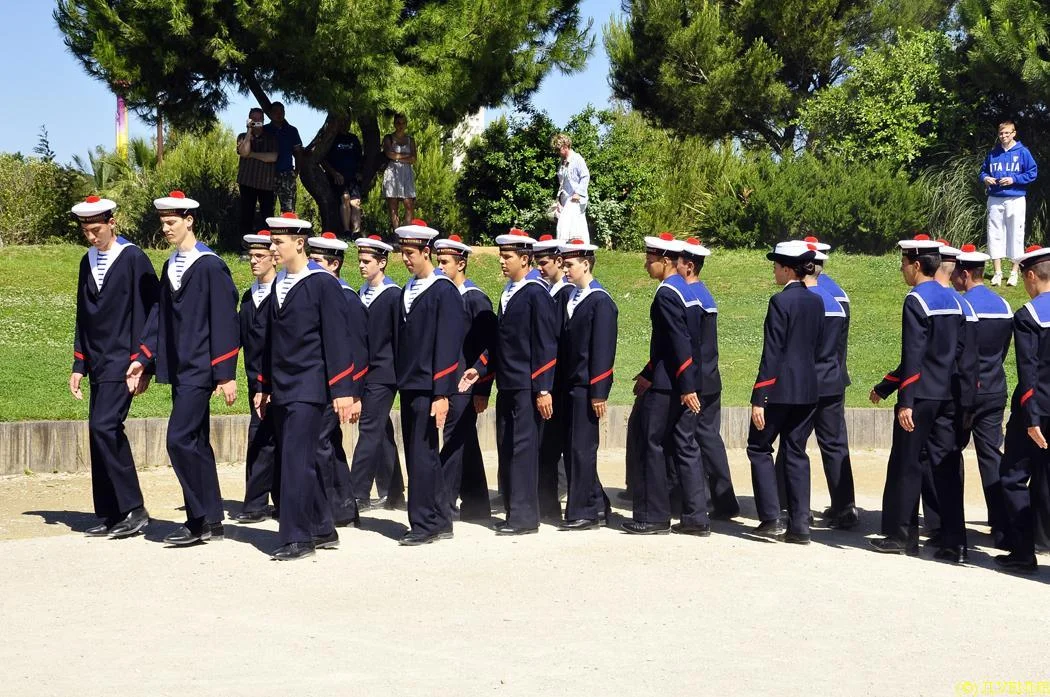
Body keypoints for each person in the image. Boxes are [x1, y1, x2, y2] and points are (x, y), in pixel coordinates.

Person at [127, 191, 239, 546]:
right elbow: (159, 315)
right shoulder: (170, 266)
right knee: (196, 442)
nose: (166, 228)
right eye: (162, 223)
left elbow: (224, 319)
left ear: (189, 220)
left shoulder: (210, 265)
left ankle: (200, 518)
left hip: (201, 369)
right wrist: (143, 358)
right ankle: (210, 521)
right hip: (179, 367)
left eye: (172, 222)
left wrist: (225, 373)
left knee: (178, 439)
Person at [255, 212, 361, 560]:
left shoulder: (322, 283)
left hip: (310, 386)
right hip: (283, 386)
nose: (273, 248)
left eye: (278, 242)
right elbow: (270, 340)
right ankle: (322, 527)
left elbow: (337, 339)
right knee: (301, 457)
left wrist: (343, 391)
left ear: (299, 243)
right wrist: (263, 384)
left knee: (295, 462)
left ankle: (297, 538)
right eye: (272, 241)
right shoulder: (278, 285)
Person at [70, 195, 158, 538]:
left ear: (112, 224)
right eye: (86, 231)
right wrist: (79, 363)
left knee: (106, 426)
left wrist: (145, 361)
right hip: (97, 362)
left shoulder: (133, 258)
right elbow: (83, 315)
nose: (92, 237)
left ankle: (134, 508)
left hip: (125, 363)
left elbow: (153, 312)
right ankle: (109, 511)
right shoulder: (85, 262)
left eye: (96, 229)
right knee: (97, 431)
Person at [459, 228, 558, 536]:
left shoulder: (536, 293)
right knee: (509, 447)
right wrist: (480, 367)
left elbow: (545, 344)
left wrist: (543, 387)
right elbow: (502, 341)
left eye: (507, 257)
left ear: (525, 259)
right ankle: (516, 509)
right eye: (502, 256)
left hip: (528, 386)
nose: (501, 262)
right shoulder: (511, 292)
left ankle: (525, 517)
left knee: (523, 449)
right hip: (509, 383)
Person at [869, 235, 963, 559]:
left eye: (904, 263)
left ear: (917, 265)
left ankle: (901, 536)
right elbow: (958, 351)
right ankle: (951, 540)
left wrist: (905, 400)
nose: (902, 270)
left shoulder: (916, 300)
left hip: (921, 395)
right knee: (943, 467)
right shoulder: (954, 300)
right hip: (948, 394)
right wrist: (886, 386)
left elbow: (913, 354)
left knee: (905, 465)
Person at [624, 233, 708, 537]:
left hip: (668, 386)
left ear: (665, 261)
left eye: (650, 259)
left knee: (651, 445)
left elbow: (679, 343)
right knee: (684, 448)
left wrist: (686, 387)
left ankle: (653, 517)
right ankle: (696, 517)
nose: (646, 265)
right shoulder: (687, 292)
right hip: (678, 381)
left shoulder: (667, 294)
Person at [394, 219, 466, 545]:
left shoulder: (443, 290)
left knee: (422, 455)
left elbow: (448, 345)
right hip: (410, 383)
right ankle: (439, 518)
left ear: (427, 251)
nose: (406, 259)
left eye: (411, 252)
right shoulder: (409, 289)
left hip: (429, 387)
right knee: (419, 453)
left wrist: (442, 393)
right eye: (403, 253)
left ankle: (424, 523)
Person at [747, 241, 824, 544]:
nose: (774, 270)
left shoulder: (780, 302)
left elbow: (773, 352)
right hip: (808, 388)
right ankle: (800, 524)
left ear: (787, 268)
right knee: (795, 452)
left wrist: (759, 397)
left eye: (777, 265)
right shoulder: (816, 301)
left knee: (759, 447)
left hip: (779, 389)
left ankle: (771, 517)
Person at [306, 231, 370, 527]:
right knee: (328, 444)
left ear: (333, 265)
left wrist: (354, 394)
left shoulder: (346, 297)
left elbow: (356, 350)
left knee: (321, 443)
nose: (310, 264)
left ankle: (327, 511)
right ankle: (343, 508)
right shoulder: (316, 292)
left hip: (340, 388)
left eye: (316, 260)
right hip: (321, 385)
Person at [951, 244, 1012, 545]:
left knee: (951, 453)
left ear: (964, 274)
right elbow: (1002, 352)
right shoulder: (1004, 305)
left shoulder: (962, 306)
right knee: (991, 457)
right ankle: (1001, 525)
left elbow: (958, 354)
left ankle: (952, 524)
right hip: (994, 388)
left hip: (966, 392)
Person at [433, 235, 497, 521]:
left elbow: (488, 348)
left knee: (454, 440)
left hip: (465, 383)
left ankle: (444, 503)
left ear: (461, 263)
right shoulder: (444, 294)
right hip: (449, 381)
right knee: (465, 441)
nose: (440, 267)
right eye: (438, 261)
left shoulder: (475, 297)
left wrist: (482, 386)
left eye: (445, 262)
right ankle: (477, 502)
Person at [676, 237, 740, 520]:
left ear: (688, 266)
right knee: (709, 438)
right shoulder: (704, 294)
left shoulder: (692, 298)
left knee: (699, 439)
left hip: (699, 381)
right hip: (710, 378)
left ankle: (715, 500)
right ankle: (722, 499)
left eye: (675, 262)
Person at [996, 244, 1050, 574]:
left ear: (1030, 276)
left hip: (1037, 410)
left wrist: (1030, 418)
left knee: (1014, 477)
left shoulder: (1028, 316)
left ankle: (1022, 551)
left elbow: (1027, 371)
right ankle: (1043, 537)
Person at [557, 239, 617, 530]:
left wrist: (599, 391)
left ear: (586, 263)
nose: (565, 269)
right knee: (572, 447)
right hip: (570, 384)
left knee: (582, 448)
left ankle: (584, 512)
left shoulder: (600, 300)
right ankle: (598, 503)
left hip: (586, 386)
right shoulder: (573, 297)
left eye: (570, 264)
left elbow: (603, 350)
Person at [349, 235, 406, 511]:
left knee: (369, 429)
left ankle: (356, 493)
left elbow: (399, 338)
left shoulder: (393, 295)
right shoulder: (362, 293)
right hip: (365, 372)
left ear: (382, 262)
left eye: (366, 261)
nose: (361, 265)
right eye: (360, 260)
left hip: (384, 373)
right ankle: (394, 492)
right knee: (381, 431)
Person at [233, 230, 279, 523]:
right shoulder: (250, 296)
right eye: (251, 256)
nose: (253, 261)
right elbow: (239, 336)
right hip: (255, 382)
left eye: (259, 256)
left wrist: (270, 383)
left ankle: (267, 502)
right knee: (261, 438)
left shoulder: (281, 293)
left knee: (273, 440)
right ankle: (257, 502)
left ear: (274, 258)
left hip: (278, 381)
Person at [533, 234, 573, 520]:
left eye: (544, 263)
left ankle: (594, 503)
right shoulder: (547, 292)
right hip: (550, 380)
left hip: (559, 382)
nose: (540, 269)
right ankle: (547, 504)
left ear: (559, 261)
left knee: (564, 449)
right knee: (548, 447)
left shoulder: (566, 294)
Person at [980, 120, 1038, 286]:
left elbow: (1032, 173)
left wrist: (1014, 179)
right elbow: (983, 171)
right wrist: (985, 178)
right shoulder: (993, 153)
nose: (1004, 136)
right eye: (1001, 133)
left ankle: (1014, 272)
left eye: (1007, 133)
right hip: (995, 197)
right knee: (994, 233)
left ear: (1014, 133)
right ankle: (997, 272)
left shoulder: (1023, 152)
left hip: (1016, 197)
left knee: (1016, 233)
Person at [236, 107, 278, 238]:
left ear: (263, 120)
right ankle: (244, 247)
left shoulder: (271, 138)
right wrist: (249, 131)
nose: (256, 122)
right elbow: (243, 151)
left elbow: (272, 157)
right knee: (246, 215)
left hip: (266, 184)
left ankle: (265, 246)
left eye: (259, 119)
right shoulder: (242, 136)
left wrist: (252, 154)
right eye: (253, 119)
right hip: (247, 181)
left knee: (267, 217)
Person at [321, 129, 364, 236]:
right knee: (345, 198)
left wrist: (359, 172)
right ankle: (346, 231)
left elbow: (360, 158)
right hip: (338, 177)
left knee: (356, 202)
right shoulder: (332, 138)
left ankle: (356, 232)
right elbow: (323, 159)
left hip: (353, 177)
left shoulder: (353, 138)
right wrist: (334, 173)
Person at [550, 133, 590, 243]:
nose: (557, 153)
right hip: (565, 199)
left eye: (558, 150)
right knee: (572, 227)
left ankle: (568, 248)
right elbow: (562, 183)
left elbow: (585, 176)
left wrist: (578, 193)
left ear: (565, 146)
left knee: (566, 226)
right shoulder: (562, 162)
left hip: (576, 199)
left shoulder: (577, 159)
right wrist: (559, 201)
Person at [264, 102, 303, 213]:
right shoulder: (265, 130)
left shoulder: (292, 130)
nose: (279, 114)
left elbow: (298, 152)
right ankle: (266, 230)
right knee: (266, 208)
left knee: (289, 211)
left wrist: (297, 171)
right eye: (276, 111)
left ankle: (288, 230)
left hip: (287, 174)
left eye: (281, 111)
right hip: (268, 174)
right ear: (271, 114)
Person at [382, 114, 417, 231]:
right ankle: (397, 233)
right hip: (392, 173)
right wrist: (405, 157)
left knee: (409, 204)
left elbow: (413, 159)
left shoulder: (410, 140)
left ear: (406, 124)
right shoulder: (388, 138)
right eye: (398, 123)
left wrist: (396, 157)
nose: (400, 125)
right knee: (393, 205)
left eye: (403, 123)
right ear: (394, 123)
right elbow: (388, 154)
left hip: (406, 173)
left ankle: (406, 232)